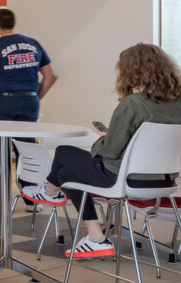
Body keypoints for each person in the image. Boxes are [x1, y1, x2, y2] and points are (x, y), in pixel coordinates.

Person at [23, 43, 181, 260]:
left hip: (124, 179)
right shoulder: (178, 104)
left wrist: (102, 141)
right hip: (165, 183)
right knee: (68, 171)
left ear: (131, 71)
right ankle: (89, 230)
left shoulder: (132, 104)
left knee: (64, 154)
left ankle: (52, 194)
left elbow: (110, 151)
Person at [0, 7, 56, 206]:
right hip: (29, 102)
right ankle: (31, 198)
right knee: (27, 150)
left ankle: (0, 198)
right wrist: (36, 97)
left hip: (1, 103)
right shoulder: (33, 44)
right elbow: (50, 76)